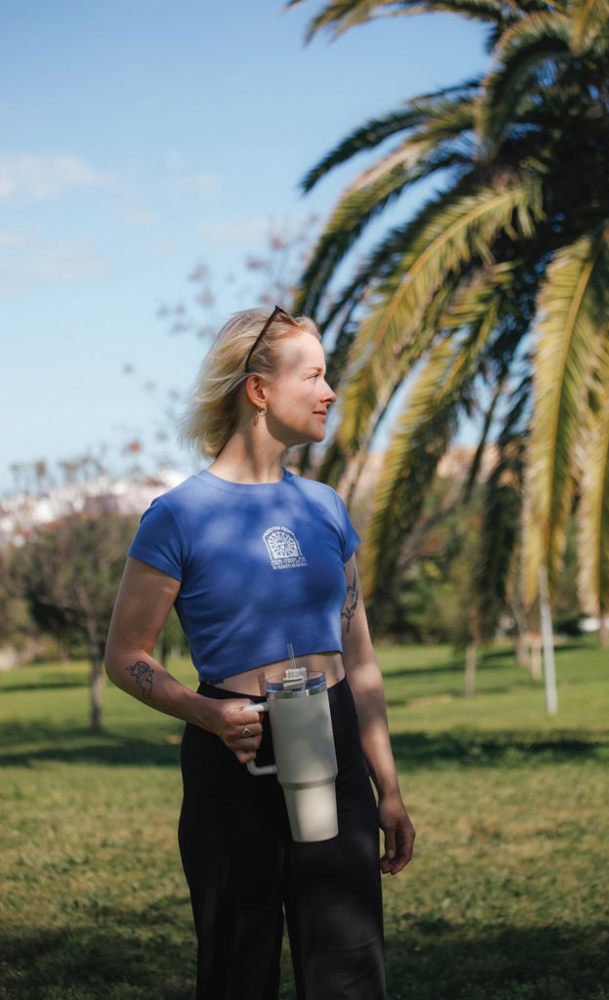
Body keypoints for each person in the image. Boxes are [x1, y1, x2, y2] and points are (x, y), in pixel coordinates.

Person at [105, 305, 415, 1000]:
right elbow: (125, 655)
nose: (329, 391)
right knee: (236, 970)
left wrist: (387, 789)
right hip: (232, 751)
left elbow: (361, 663)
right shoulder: (178, 516)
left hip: (332, 742)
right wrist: (207, 714)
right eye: (313, 375)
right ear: (259, 390)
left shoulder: (326, 508)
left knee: (349, 969)